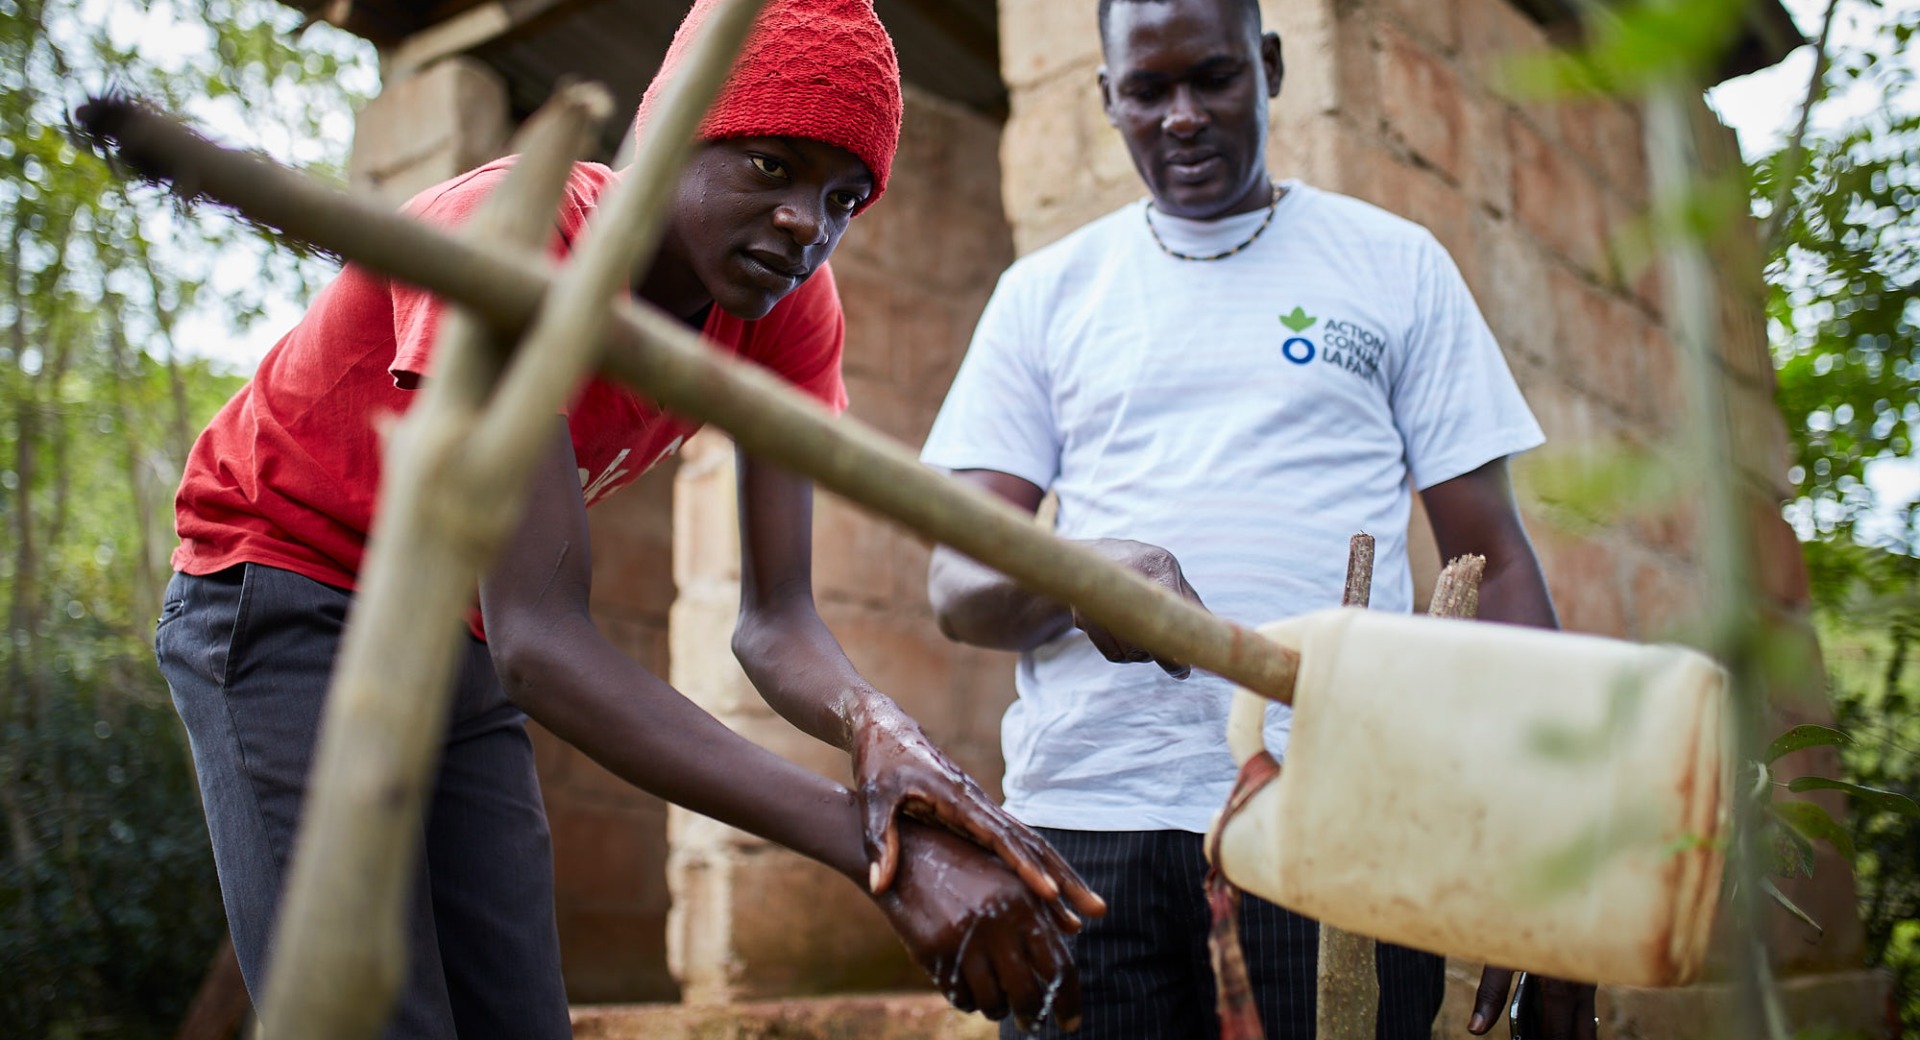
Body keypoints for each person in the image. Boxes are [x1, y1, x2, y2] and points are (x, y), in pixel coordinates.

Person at [152, 1, 1101, 1036]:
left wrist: (887, 735)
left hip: (453, 628)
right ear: (663, 136)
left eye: (843, 196)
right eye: (771, 166)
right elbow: (543, 642)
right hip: (281, 584)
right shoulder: (518, 234)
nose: (805, 222)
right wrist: (880, 851)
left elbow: (776, 621)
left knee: (520, 1016)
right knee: (374, 1014)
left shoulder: (787, 308)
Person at [921, 0, 1597, 1037]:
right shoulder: (1044, 294)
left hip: (1340, 810)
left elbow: (1493, 560)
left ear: (1269, 67)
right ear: (1107, 99)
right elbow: (958, 585)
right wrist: (1079, 573)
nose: (1182, 116)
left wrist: (1542, 850)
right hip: (1087, 818)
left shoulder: (1394, 264)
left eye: (1213, 77)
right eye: (1147, 90)